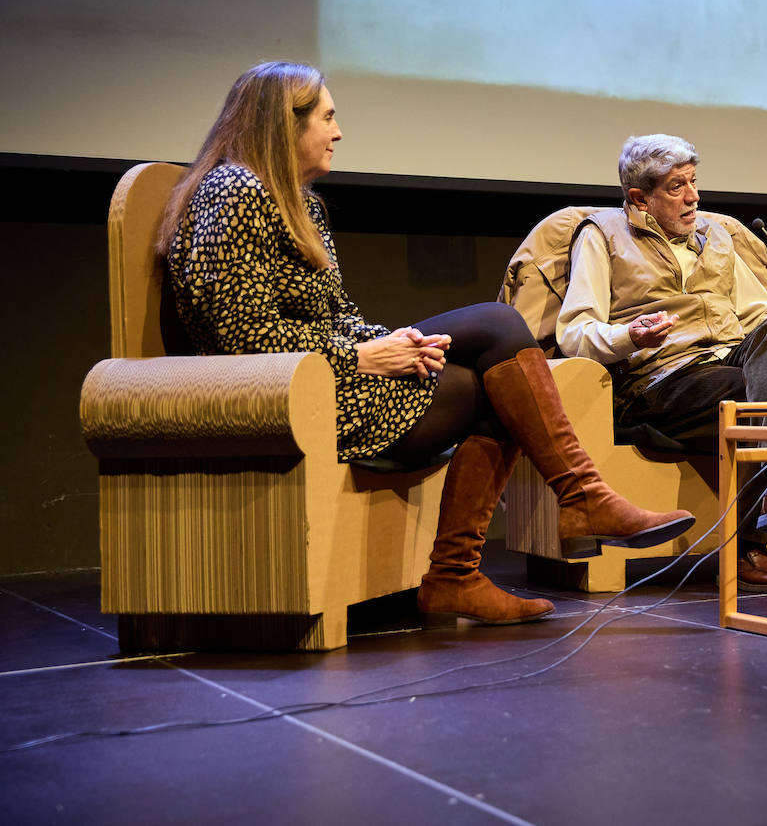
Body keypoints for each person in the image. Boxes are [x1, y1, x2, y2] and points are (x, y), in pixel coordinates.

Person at [158, 62, 694, 626]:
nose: (337, 132)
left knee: (501, 362)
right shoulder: (234, 190)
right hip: (292, 395)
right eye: (327, 117)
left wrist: (394, 343)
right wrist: (361, 355)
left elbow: (338, 316)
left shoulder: (302, 202)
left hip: (334, 374)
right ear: (281, 125)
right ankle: (549, 518)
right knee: (498, 331)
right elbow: (237, 335)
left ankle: (483, 561)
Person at [557, 134, 767, 593]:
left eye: (693, 182)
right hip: (661, 377)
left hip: (727, 360)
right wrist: (629, 335)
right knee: (746, 389)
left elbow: (760, 317)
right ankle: (752, 541)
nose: (693, 197)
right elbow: (574, 331)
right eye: (675, 187)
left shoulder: (718, 237)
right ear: (639, 198)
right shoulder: (603, 236)